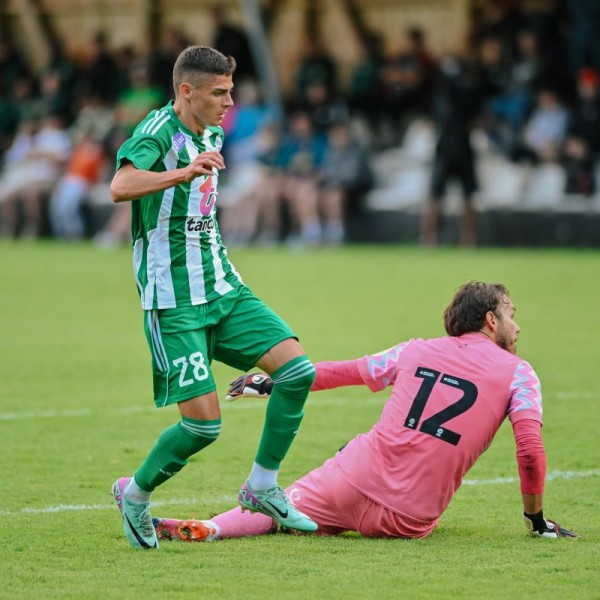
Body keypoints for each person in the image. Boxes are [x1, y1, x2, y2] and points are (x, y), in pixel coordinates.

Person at [150, 281, 578, 542]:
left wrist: (271, 379)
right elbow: (529, 451)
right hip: (408, 518)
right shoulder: (520, 374)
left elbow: (345, 372)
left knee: (277, 506)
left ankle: (214, 528)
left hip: (351, 479)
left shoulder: (415, 349)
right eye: (511, 315)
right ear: (489, 320)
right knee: (337, 477)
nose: (517, 326)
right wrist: (535, 520)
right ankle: (217, 527)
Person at [109, 45, 317, 550]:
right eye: (219, 92)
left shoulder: (214, 131)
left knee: (297, 372)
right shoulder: (157, 132)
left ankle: (262, 487)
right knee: (203, 428)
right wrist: (182, 172)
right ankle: (135, 495)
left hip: (223, 288)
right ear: (187, 90)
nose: (229, 101)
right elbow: (120, 185)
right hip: (173, 301)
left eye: (230, 90)